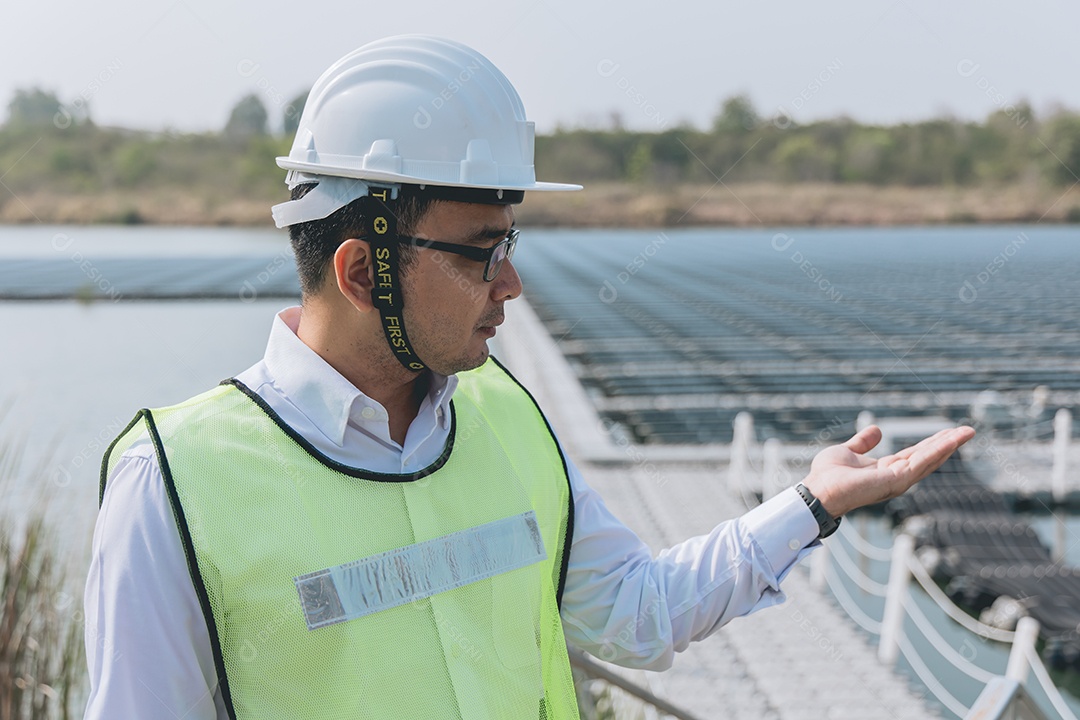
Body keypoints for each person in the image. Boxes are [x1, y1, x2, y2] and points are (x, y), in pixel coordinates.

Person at [83, 35, 974, 720]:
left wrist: (812, 504)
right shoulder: (175, 485)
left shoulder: (506, 419)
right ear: (362, 272)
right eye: (481, 252)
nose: (510, 283)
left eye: (510, 244)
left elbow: (635, 612)